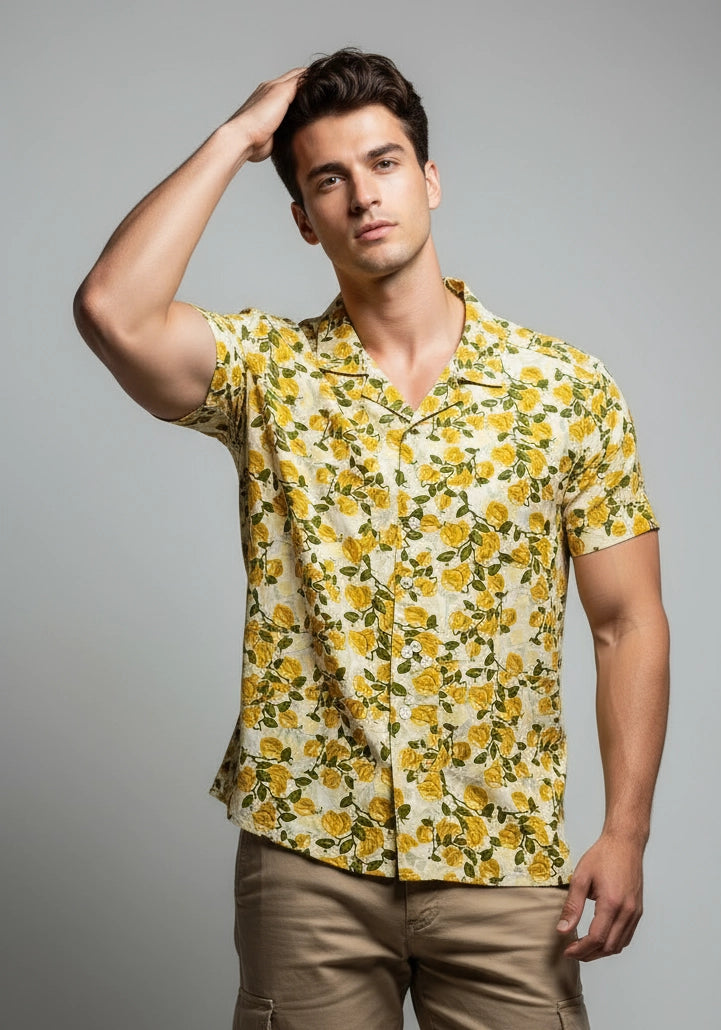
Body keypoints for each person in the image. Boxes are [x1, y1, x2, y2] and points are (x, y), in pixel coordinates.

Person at [74, 48, 669, 1030]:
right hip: (309, 859)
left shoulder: (567, 391)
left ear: (430, 179)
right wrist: (236, 137)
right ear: (305, 219)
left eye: (386, 163)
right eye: (329, 178)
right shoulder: (267, 375)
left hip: (501, 857)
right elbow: (112, 310)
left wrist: (627, 831)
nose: (364, 195)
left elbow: (627, 620)